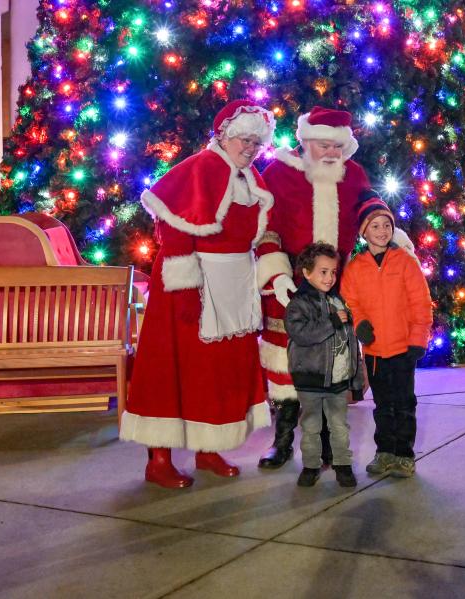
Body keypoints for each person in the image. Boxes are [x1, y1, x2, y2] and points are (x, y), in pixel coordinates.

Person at [120, 100, 276, 488]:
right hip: (193, 286)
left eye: (257, 142)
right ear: (223, 135)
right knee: (173, 369)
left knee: (219, 371)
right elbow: (174, 229)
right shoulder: (198, 168)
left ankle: (209, 448)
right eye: (244, 139)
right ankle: (158, 459)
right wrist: (186, 285)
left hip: (235, 286)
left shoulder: (250, 177)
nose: (250, 148)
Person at [255, 106, 415, 470]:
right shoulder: (278, 174)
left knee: (331, 361)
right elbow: (265, 229)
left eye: (337, 147)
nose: (330, 154)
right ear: (306, 141)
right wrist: (277, 274)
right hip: (290, 283)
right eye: (324, 145)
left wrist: (395, 235)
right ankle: (282, 441)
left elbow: (370, 209)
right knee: (285, 361)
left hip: (336, 283)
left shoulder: (352, 174)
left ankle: (327, 439)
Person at [341, 196, 433, 478]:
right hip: (375, 352)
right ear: (364, 232)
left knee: (404, 404)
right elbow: (350, 302)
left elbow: (421, 302)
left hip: (403, 349)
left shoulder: (405, 262)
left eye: (387, 225)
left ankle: (404, 454)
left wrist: (418, 338)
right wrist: (360, 324)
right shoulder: (356, 268)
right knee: (383, 406)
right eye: (375, 226)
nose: (382, 231)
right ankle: (385, 452)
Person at [284, 242, 365, 488]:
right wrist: (331, 323)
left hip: (338, 380)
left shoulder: (339, 301)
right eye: (323, 271)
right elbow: (301, 334)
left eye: (333, 272)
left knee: (339, 425)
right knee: (311, 426)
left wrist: (356, 375)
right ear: (306, 273)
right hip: (310, 379)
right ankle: (310, 465)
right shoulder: (299, 304)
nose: (330, 278)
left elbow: (350, 341)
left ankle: (343, 464)